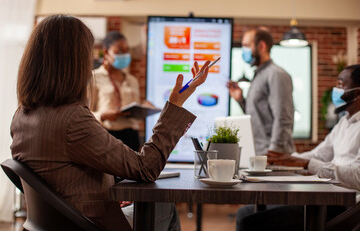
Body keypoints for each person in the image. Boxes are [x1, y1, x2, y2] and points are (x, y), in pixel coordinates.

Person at [10, 15, 211, 231]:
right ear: (73, 63)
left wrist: (108, 194)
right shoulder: (72, 120)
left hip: (61, 222)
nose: (90, 64)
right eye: (87, 56)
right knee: (164, 205)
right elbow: (146, 168)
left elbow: (62, 177)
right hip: (90, 225)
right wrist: (175, 104)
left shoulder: (21, 117)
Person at [236, 64, 360, 231]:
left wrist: (306, 164)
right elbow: (320, 153)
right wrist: (287, 159)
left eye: (341, 84)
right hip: (325, 197)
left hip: (345, 208)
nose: (336, 90)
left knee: (250, 223)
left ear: (358, 92)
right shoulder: (344, 122)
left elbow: (358, 176)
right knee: (244, 213)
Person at [227, 28, 295, 155]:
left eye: (246, 45)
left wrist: (274, 152)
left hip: (274, 157)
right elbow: (258, 116)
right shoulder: (258, 75)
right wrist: (241, 100)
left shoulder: (276, 74)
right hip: (259, 154)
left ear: (262, 46)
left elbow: (284, 118)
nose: (243, 50)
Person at [90, 31, 142, 151]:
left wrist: (143, 109)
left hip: (132, 137)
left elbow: (135, 108)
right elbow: (84, 113)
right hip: (107, 136)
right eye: (119, 51)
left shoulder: (132, 80)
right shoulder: (95, 78)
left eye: (126, 50)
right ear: (107, 52)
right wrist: (103, 115)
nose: (124, 55)